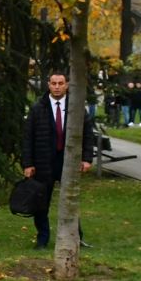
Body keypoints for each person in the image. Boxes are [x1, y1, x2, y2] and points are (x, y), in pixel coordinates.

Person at [21, 71, 95, 249]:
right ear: (48, 85)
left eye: (60, 83)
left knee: (71, 200)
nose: (57, 87)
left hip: (69, 162)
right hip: (43, 163)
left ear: (67, 85)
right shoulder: (38, 108)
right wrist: (28, 163)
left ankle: (76, 237)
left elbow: (88, 134)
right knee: (41, 203)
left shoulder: (76, 108)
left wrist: (86, 159)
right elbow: (27, 137)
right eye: (53, 83)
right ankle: (42, 238)